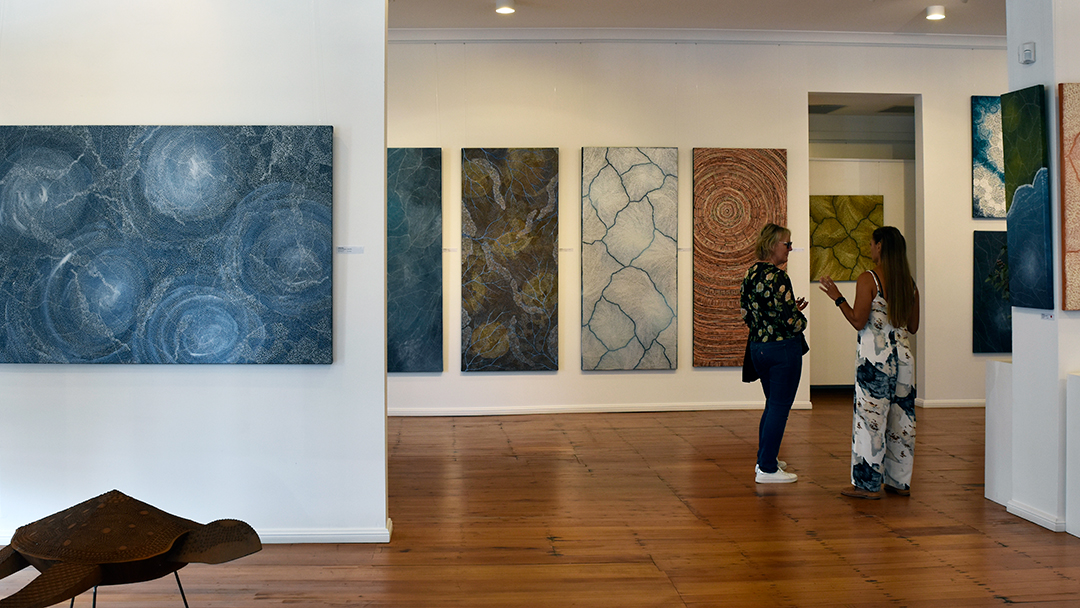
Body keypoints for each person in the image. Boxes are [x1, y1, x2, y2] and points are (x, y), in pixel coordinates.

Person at [819, 226, 919, 499]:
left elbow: (858, 321)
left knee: (870, 420)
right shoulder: (908, 282)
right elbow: (913, 326)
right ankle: (899, 483)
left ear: (881, 246)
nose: (870, 247)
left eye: (872, 243)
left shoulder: (869, 279)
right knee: (902, 422)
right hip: (905, 360)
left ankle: (867, 485)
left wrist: (837, 297)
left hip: (876, 361)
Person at [740, 223, 808, 484]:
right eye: (787, 244)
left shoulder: (750, 274)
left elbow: (746, 313)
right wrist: (800, 319)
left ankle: (765, 458)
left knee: (772, 406)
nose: (790, 249)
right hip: (782, 350)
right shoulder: (779, 277)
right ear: (772, 245)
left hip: (758, 349)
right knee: (779, 408)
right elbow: (792, 321)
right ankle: (767, 468)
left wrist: (770, 323)